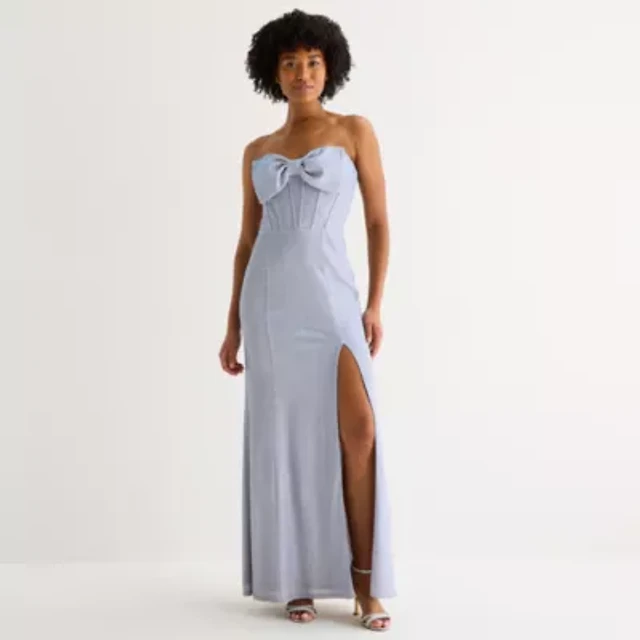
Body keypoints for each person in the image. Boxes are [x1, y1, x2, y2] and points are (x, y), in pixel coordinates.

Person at [219, 9, 396, 631]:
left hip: (333, 299)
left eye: (313, 62)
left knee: (360, 430)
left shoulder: (354, 131)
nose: (302, 73)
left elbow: (378, 220)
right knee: (285, 440)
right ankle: (295, 579)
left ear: (330, 67)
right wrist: (233, 324)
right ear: (273, 72)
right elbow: (247, 242)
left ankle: (366, 585)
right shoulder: (258, 151)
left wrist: (374, 304)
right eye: (290, 63)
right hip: (269, 304)